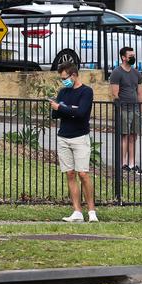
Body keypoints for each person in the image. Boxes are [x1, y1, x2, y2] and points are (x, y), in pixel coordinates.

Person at [50, 62, 97, 223]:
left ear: (74, 75)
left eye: (65, 78)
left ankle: (91, 211)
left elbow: (81, 113)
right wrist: (68, 110)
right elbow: (55, 114)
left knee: (83, 173)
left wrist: (63, 109)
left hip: (80, 137)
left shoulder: (86, 92)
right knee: (70, 173)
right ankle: (77, 211)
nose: (64, 81)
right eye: (62, 79)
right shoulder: (63, 92)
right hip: (64, 136)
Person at [109, 46, 142, 175]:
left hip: (135, 109)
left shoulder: (136, 73)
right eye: (130, 56)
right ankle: (123, 164)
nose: (133, 58)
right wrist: (119, 108)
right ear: (123, 57)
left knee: (133, 136)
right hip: (124, 109)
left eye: (133, 55)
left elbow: (140, 93)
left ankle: (132, 164)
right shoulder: (117, 72)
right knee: (124, 136)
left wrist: (141, 111)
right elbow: (115, 93)